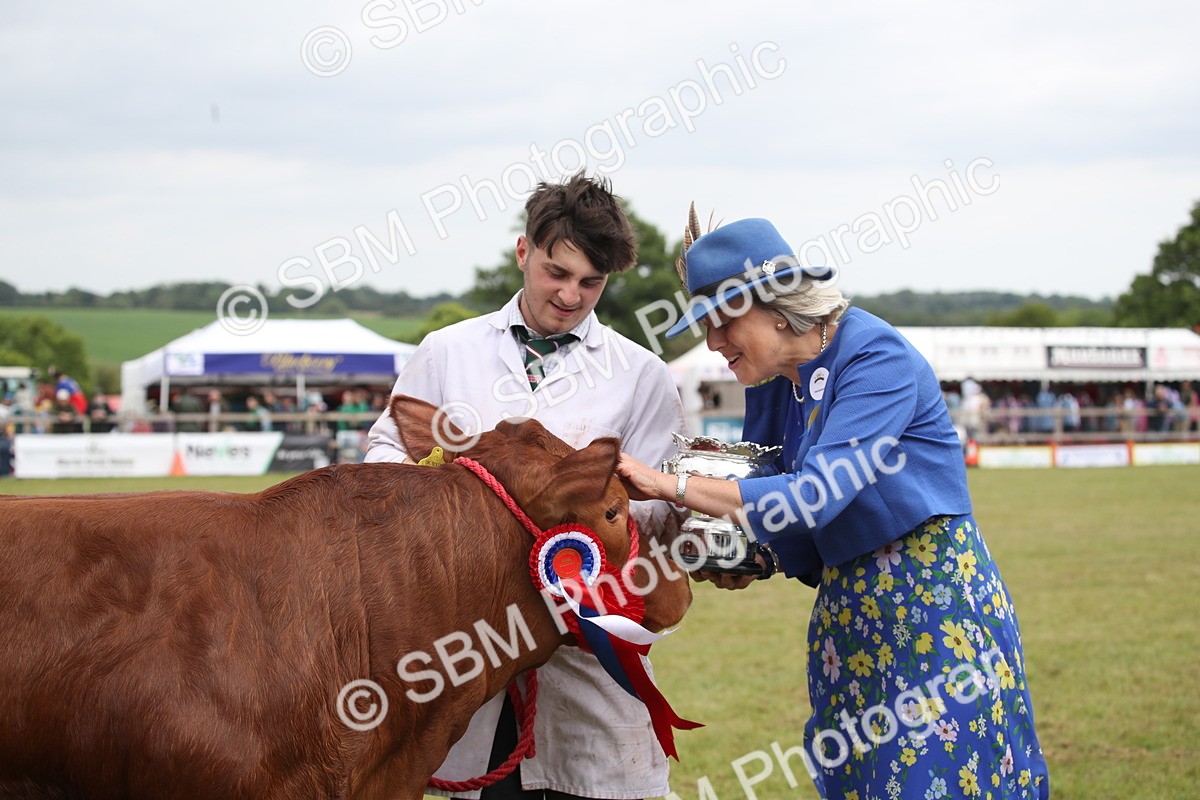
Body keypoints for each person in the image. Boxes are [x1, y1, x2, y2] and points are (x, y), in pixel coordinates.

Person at [617, 216, 1049, 800]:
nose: (713, 342)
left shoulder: (878, 358)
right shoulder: (772, 378)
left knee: (936, 778)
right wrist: (750, 559)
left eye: (722, 321)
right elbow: (772, 481)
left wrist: (672, 483)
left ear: (776, 307)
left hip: (933, 611)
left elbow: (813, 496)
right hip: (849, 615)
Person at [364, 172, 687, 800]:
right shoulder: (446, 350)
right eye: (555, 272)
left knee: (591, 784)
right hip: (463, 643)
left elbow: (660, 512)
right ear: (524, 252)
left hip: (583, 646)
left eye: (590, 282)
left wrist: (607, 540)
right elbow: (387, 455)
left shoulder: (642, 375)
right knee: (473, 784)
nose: (570, 295)